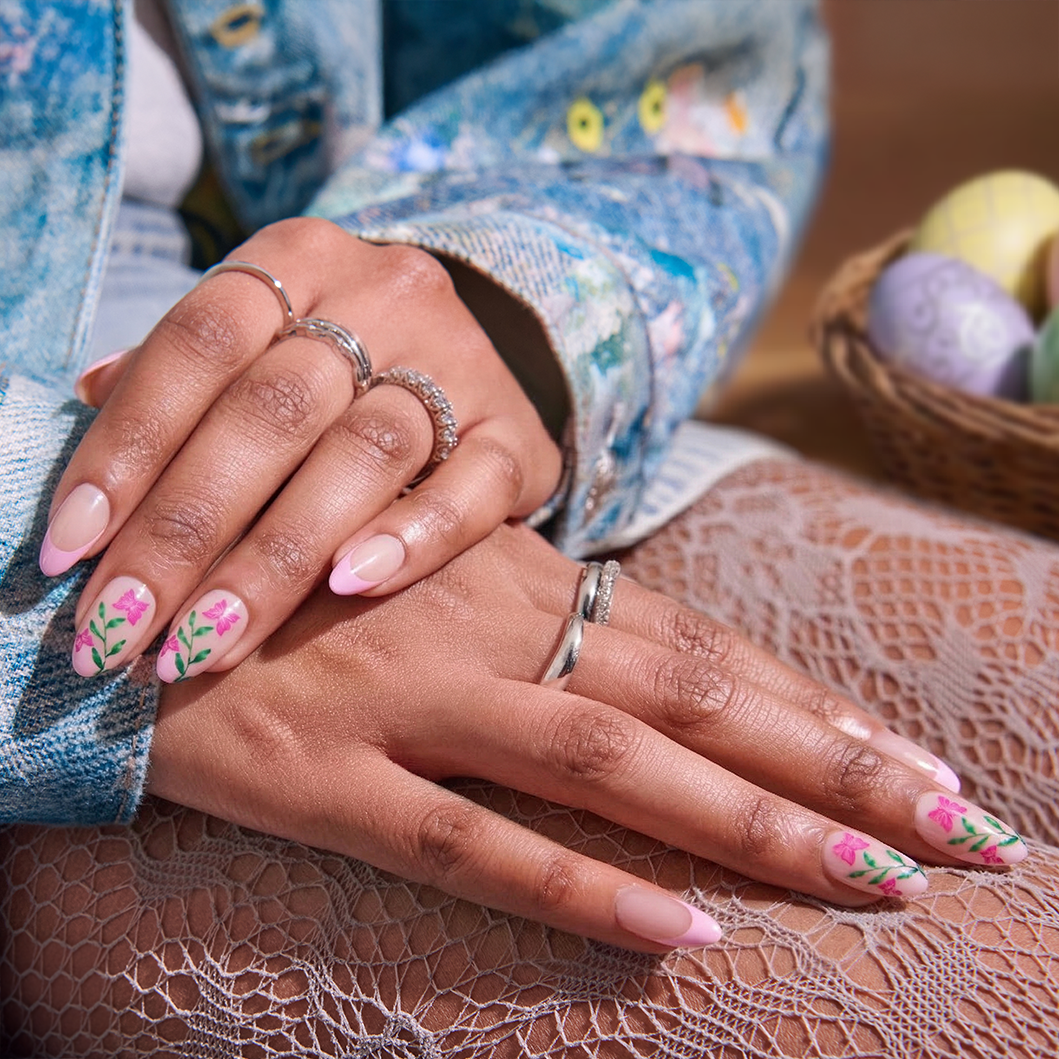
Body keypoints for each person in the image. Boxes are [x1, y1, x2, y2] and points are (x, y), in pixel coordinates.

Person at [2, 1, 1058, 1056]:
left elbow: (681, 41)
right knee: (971, 1008)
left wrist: (497, 299)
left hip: (405, 389)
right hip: (48, 589)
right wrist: (33, 558)